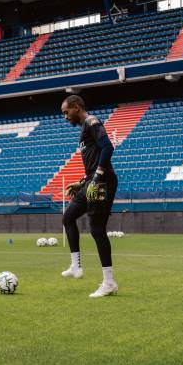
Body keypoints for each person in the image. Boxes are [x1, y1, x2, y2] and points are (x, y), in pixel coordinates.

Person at [60, 95, 119, 298]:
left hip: (101, 182)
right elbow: (94, 161)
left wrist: (98, 176)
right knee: (67, 217)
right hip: (91, 182)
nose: (65, 117)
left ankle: (109, 282)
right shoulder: (84, 130)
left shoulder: (92, 122)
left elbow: (108, 147)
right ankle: (76, 266)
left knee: (96, 229)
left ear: (77, 107)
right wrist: (82, 181)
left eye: (66, 112)